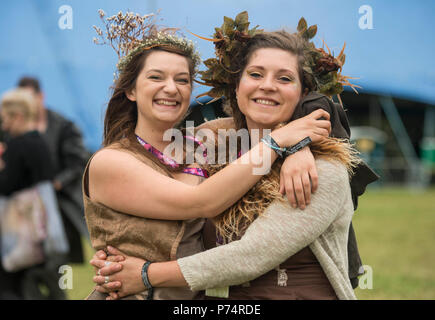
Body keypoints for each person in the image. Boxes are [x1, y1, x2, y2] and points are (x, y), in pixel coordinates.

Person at [91, 15, 376, 300]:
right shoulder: (216, 147)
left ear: (302, 94)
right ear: (236, 88)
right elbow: (202, 196)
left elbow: (251, 255)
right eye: (255, 74)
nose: (267, 85)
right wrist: (287, 142)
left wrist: (299, 146)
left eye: (285, 78)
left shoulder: (321, 169)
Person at [17, 77, 90, 267]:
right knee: (29, 262)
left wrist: (56, 184)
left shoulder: (63, 126)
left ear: (41, 96)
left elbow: (77, 162)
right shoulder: (15, 128)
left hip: (61, 202)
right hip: (26, 206)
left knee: (58, 260)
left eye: (30, 97)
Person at [0, 89, 54, 299]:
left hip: (18, 226)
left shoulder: (18, 145)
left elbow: (7, 185)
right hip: (38, 225)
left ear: (18, 117)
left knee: (9, 282)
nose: (4, 126)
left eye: (5, 120)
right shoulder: (40, 141)